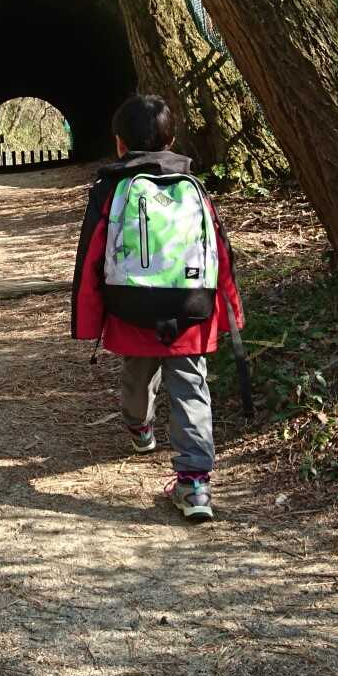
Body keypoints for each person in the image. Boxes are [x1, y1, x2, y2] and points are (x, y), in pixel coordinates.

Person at [70, 94, 244, 521]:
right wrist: (230, 313)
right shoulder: (194, 189)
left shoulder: (111, 190)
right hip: (191, 308)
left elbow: (92, 257)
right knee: (191, 389)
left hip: (132, 307)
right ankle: (195, 485)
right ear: (172, 141)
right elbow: (220, 253)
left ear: (119, 144)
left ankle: (139, 427)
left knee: (137, 374)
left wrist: (89, 320)